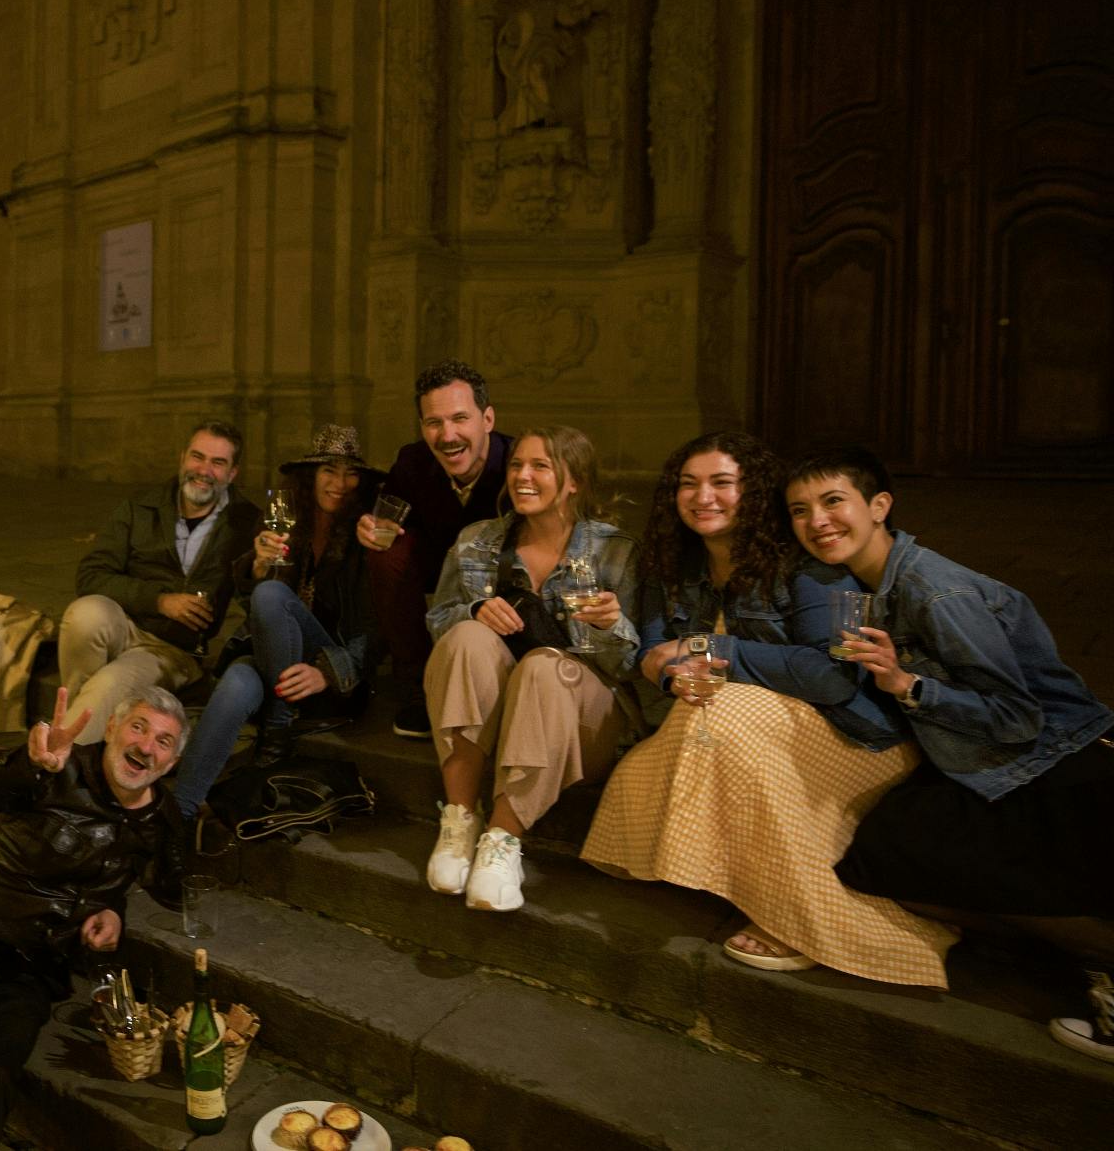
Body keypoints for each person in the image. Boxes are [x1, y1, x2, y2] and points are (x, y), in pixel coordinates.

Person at [579, 433, 957, 985]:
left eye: (721, 483)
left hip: (850, 733)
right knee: (702, 722)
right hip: (733, 724)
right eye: (689, 484)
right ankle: (743, 872)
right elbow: (654, 651)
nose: (702, 496)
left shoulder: (807, 564)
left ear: (753, 492)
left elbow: (832, 675)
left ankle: (793, 915)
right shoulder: (673, 565)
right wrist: (669, 672)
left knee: (723, 716)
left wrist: (709, 650)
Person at [785, 448, 1114, 1060]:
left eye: (834, 502)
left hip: (1056, 766)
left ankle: (1103, 957)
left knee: (896, 850)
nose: (817, 521)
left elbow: (1017, 719)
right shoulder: (864, 585)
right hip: (986, 762)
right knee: (884, 851)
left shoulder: (933, 590)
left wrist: (907, 685)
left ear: (880, 506)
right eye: (800, 510)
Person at [0, 686, 187, 1150]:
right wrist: (30, 765)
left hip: (37, 959)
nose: (146, 746)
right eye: (138, 727)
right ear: (112, 728)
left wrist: (113, 912)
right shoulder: (60, 763)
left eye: (163, 741)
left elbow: (126, 883)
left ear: (170, 764)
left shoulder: (160, 818)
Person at [418, 426, 638, 912]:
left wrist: (609, 625)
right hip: (499, 715)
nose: (523, 476)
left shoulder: (614, 551)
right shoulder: (476, 542)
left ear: (574, 480)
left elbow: (630, 664)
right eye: (517, 465)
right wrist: (473, 613)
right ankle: (458, 821)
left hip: (583, 719)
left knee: (542, 666)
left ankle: (502, 841)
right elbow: (438, 622)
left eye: (541, 466)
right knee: (467, 636)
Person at [173, 425, 381, 818]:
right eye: (327, 471)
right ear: (309, 476)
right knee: (237, 680)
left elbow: (376, 627)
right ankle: (176, 818)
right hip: (274, 662)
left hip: (324, 673)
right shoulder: (284, 517)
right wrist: (258, 566)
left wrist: (330, 671)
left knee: (271, 596)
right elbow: (249, 602)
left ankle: (278, 727)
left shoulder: (365, 533)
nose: (339, 483)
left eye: (349, 472)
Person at [60, 422, 261, 742]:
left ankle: (60, 752)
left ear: (232, 473)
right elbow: (91, 575)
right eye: (197, 457)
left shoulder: (245, 523)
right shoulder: (140, 507)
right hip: (123, 623)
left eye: (217, 462)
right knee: (84, 614)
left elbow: (255, 597)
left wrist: (261, 568)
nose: (204, 470)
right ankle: (79, 730)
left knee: (110, 683)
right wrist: (160, 600)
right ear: (182, 458)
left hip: (169, 650)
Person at [354, 361, 513, 740]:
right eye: (434, 423)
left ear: (487, 418)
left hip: (500, 582)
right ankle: (415, 686)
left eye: (460, 418)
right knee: (385, 551)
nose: (447, 435)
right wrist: (371, 528)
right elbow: (387, 521)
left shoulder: (516, 464)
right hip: (438, 567)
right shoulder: (413, 461)